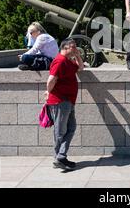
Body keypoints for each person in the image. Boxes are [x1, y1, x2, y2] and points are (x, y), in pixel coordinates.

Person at [44, 38, 84, 171]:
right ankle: (58, 158)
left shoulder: (68, 61)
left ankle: (60, 156)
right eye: (73, 47)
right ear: (65, 47)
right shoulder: (60, 61)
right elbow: (51, 79)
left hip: (68, 100)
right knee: (60, 131)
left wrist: (78, 55)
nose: (75, 48)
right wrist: (48, 92)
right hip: (60, 101)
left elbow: (80, 68)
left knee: (71, 128)